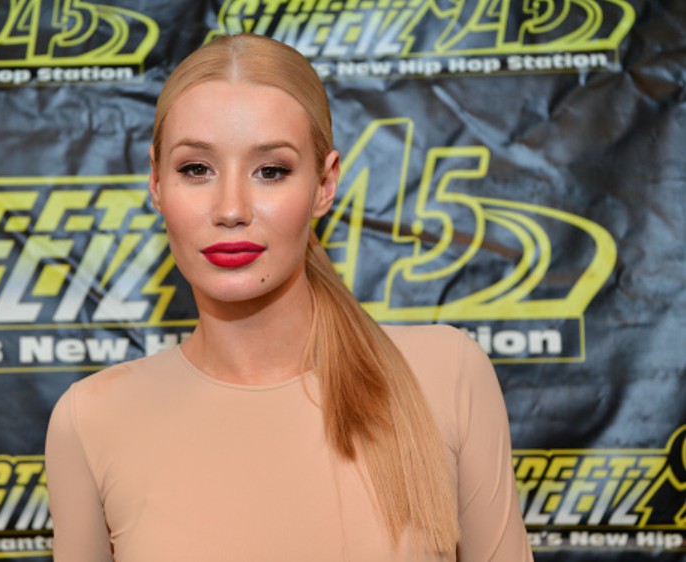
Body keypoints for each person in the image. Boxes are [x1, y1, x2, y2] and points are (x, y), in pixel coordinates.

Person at [45, 33, 533, 562]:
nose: (231, 209)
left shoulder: (446, 375)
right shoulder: (91, 421)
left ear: (324, 184)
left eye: (271, 171)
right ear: (157, 183)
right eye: (196, 169)